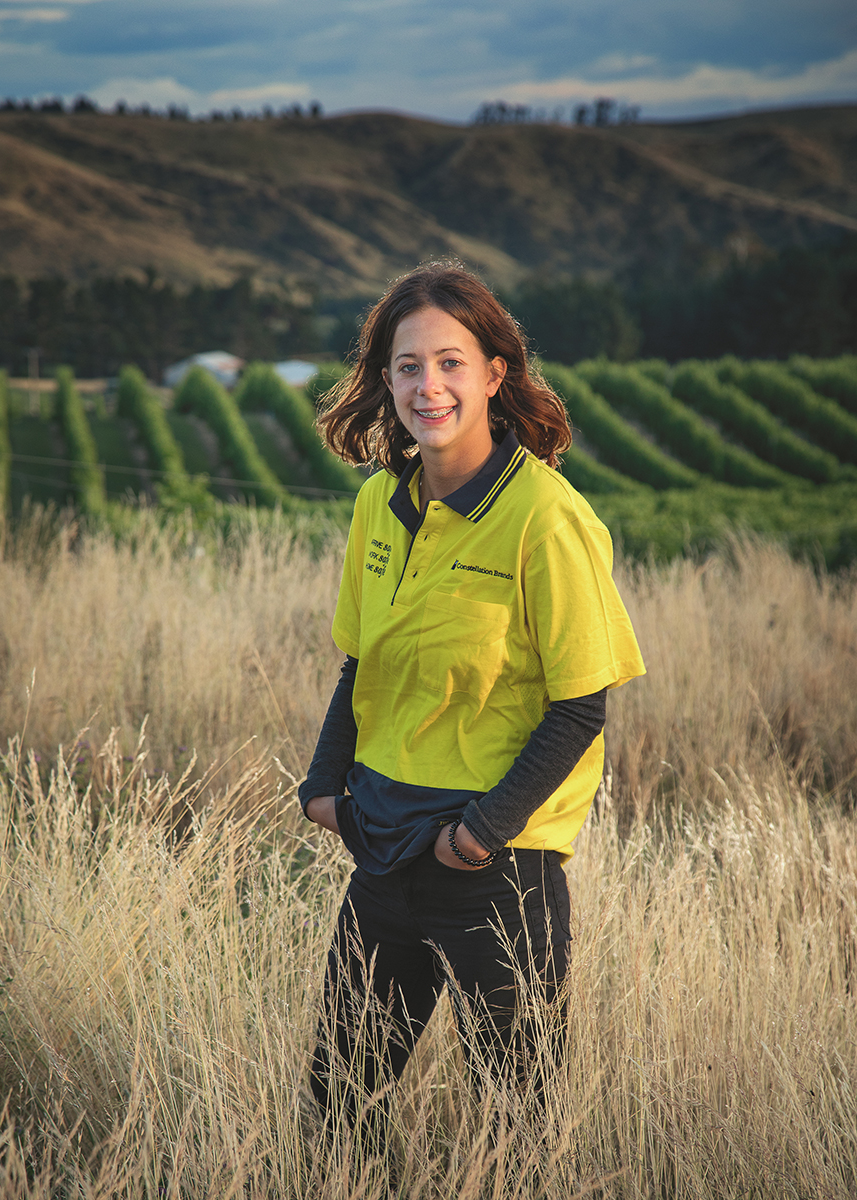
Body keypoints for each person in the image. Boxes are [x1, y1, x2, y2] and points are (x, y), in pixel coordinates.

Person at [299, 262, 645, 1153]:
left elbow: (579, 705)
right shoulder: (380, 503)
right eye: (408, 366)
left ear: (496, 372)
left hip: (493, 869)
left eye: (451, 363)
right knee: (336, 1112)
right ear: (386, 381)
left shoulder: (545, 516)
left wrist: (481, 833)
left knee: (516, 1134)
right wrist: (322, 785)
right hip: (380, 847)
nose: (429, 386)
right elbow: (359, 664)